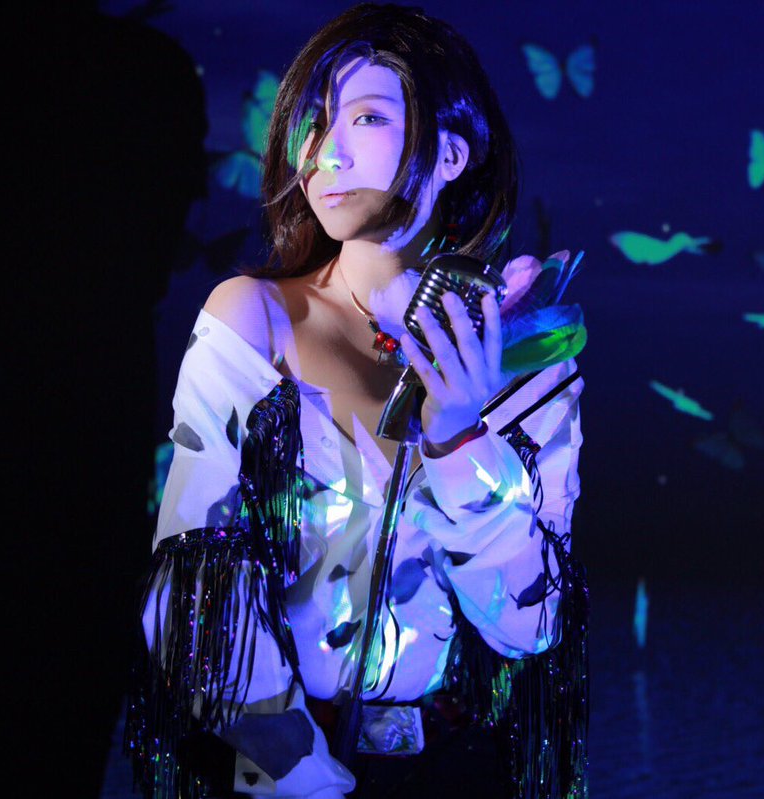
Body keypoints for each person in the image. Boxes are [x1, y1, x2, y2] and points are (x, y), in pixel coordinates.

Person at [125, 5, 587, 798]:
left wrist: (460, 440)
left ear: (451, 153)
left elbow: (531, 623)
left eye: (367, 117)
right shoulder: (254, 322)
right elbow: (190, 593)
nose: (324, 150)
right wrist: (300, 770)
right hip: (287, 770)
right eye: (314, 121)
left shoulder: (525, 353)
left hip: (462, 768)